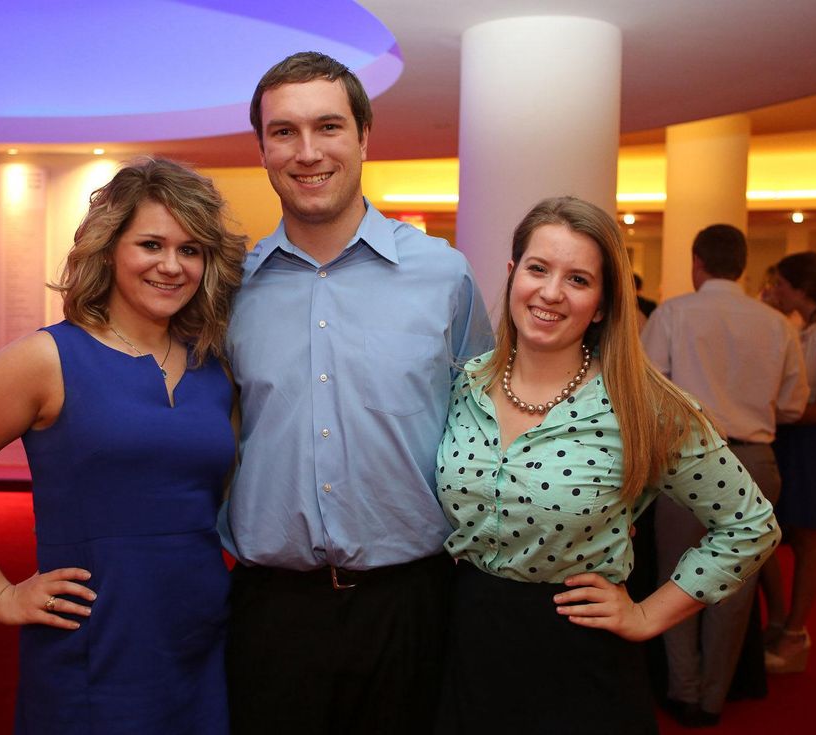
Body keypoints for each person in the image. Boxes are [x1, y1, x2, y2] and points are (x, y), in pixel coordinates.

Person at [0, 158, 246, 734]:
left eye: (191, 250)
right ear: (109, 248)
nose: (171, 265)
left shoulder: (216, 367)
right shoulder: (45, 359)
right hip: (93, 642)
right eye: (152, 244)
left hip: (200, 636)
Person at [219, 51, 493, 735]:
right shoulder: (229, 289)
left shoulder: (444, 275)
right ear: (261, 150)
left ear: (365, 137)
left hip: (411, 603)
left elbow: (488, 423)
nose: (307, 152)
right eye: (283, 132)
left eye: (328, 127)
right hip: (270, 609)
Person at [435, 197, 781, 735]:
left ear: (601, 305)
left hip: (580, 656)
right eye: (538, 269)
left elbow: (750, 524)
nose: (551, 292)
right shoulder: (465, 384)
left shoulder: (644, 407)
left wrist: (649, 613)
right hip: (467, 643)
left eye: (578, 279)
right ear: (511, 276)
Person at [640, 224, 808, 725]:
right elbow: (794, 406)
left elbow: (649, 393)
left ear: (698, 262)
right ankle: (713, 699)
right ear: (743, 265)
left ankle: (682, 691)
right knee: (734, 589)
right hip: (757, 460)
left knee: (678, 578)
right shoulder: (777, 323)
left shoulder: (673, 313)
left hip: (689, 459)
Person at [761, 251, 816, 673]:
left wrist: (774, 413)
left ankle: (794, 631)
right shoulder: (800, 328)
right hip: (789, 438)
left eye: (781, 285)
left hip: (813, 442)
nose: (775, 292)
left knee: (806, 540)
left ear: (802, 289)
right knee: (770, 534)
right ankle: (780, 620)